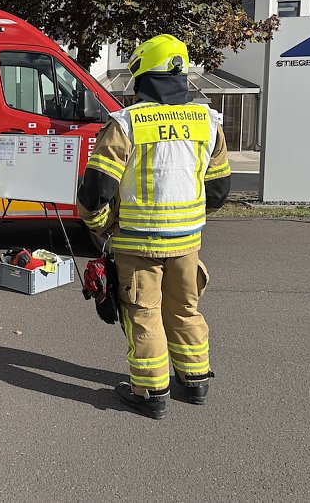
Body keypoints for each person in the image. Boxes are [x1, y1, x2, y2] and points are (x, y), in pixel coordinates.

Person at [76, 34, 231, 420]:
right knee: (185, 309)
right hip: (187, 242)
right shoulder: (208, 122)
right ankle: (195, 382)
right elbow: (220, 189)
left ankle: (149, 393)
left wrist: (100, 227)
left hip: (136, 244)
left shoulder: (127, 124)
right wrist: (188, 219)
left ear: (142, 75)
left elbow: (97, 191)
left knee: (144, 314)